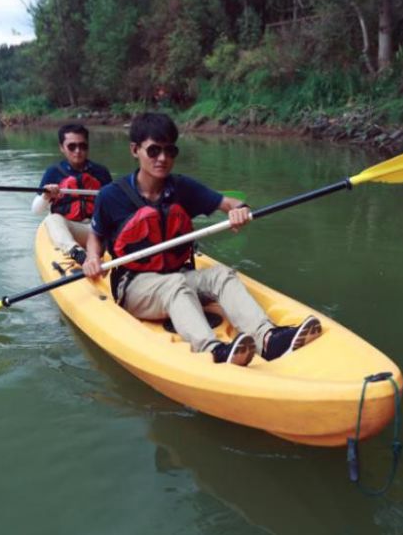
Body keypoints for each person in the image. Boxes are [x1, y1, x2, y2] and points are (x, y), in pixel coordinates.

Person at [81, 113, 321, 366]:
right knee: (175, 285)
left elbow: (230, 203)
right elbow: (96, 236)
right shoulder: (111, 196)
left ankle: (267, 338)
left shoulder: (182, 188)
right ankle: (213, 350)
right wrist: (92, 257)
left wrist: (240, 209)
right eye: (153, 151)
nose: (162, 158)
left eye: (169, 151)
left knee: (221, 275)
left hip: (180, 275)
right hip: (136, 286)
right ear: (135, 150)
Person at [32, 124, 113, 264]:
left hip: (96, 230)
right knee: (52, 219)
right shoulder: (53, 172)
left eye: (83, 146)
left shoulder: (101, 172)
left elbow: (113, 207)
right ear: (62, 147)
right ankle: (76, 253)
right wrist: (46, 196)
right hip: (71, 227)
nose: (78, 151)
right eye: (72, 146)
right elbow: (35, 210)